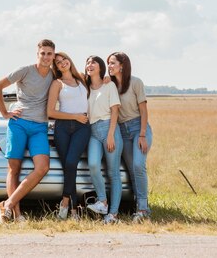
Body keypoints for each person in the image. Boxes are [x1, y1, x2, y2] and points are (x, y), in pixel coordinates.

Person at [0, 39, 55, 223]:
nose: (45, 57)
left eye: (49, 53)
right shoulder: (25, 70)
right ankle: (16, 215)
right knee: (14, 168)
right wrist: (5, 113)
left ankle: (8, 204)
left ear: (53, 55)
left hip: (39, 127)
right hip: (18, 123)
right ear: (37, 54)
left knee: (43, 167)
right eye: (42, 53)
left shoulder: (53, 75)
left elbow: (75, 77)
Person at [107, 51, 152, 222]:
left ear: (122, 65)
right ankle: (139, 207)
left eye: (112, 63)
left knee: (139, 165)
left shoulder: (135, 82)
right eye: (109, 63)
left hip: (138, 128)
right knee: (132, 170)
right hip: (121, 131)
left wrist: (142, 135)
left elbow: (143, 110)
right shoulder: (109, 84)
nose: (109, 66)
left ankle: (143, 209)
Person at [47, 52, 90, 220]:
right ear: (56, 67)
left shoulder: (82, 80)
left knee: (71, 163)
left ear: (69, 60)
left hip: (82, 127)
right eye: (58, 62)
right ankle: (73, 211)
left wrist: (107, 79)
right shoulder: (57, 84)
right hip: (63, 127)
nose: (62, 63)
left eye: (64, 59)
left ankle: (64, 202)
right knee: (68, 167)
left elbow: (99, 81)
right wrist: (74, 116)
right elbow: (50, 112)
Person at [85, 55, 123, 224]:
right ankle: (102, 201)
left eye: (93, 62)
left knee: (113, 173)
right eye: (87, 62)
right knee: (93, 164)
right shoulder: (85, 87)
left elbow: (115, 111)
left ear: (100, 67)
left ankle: (113, 214)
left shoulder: (109, 85)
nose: (89, 65)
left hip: (110, 129)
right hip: (93, 131)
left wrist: (110, 135)